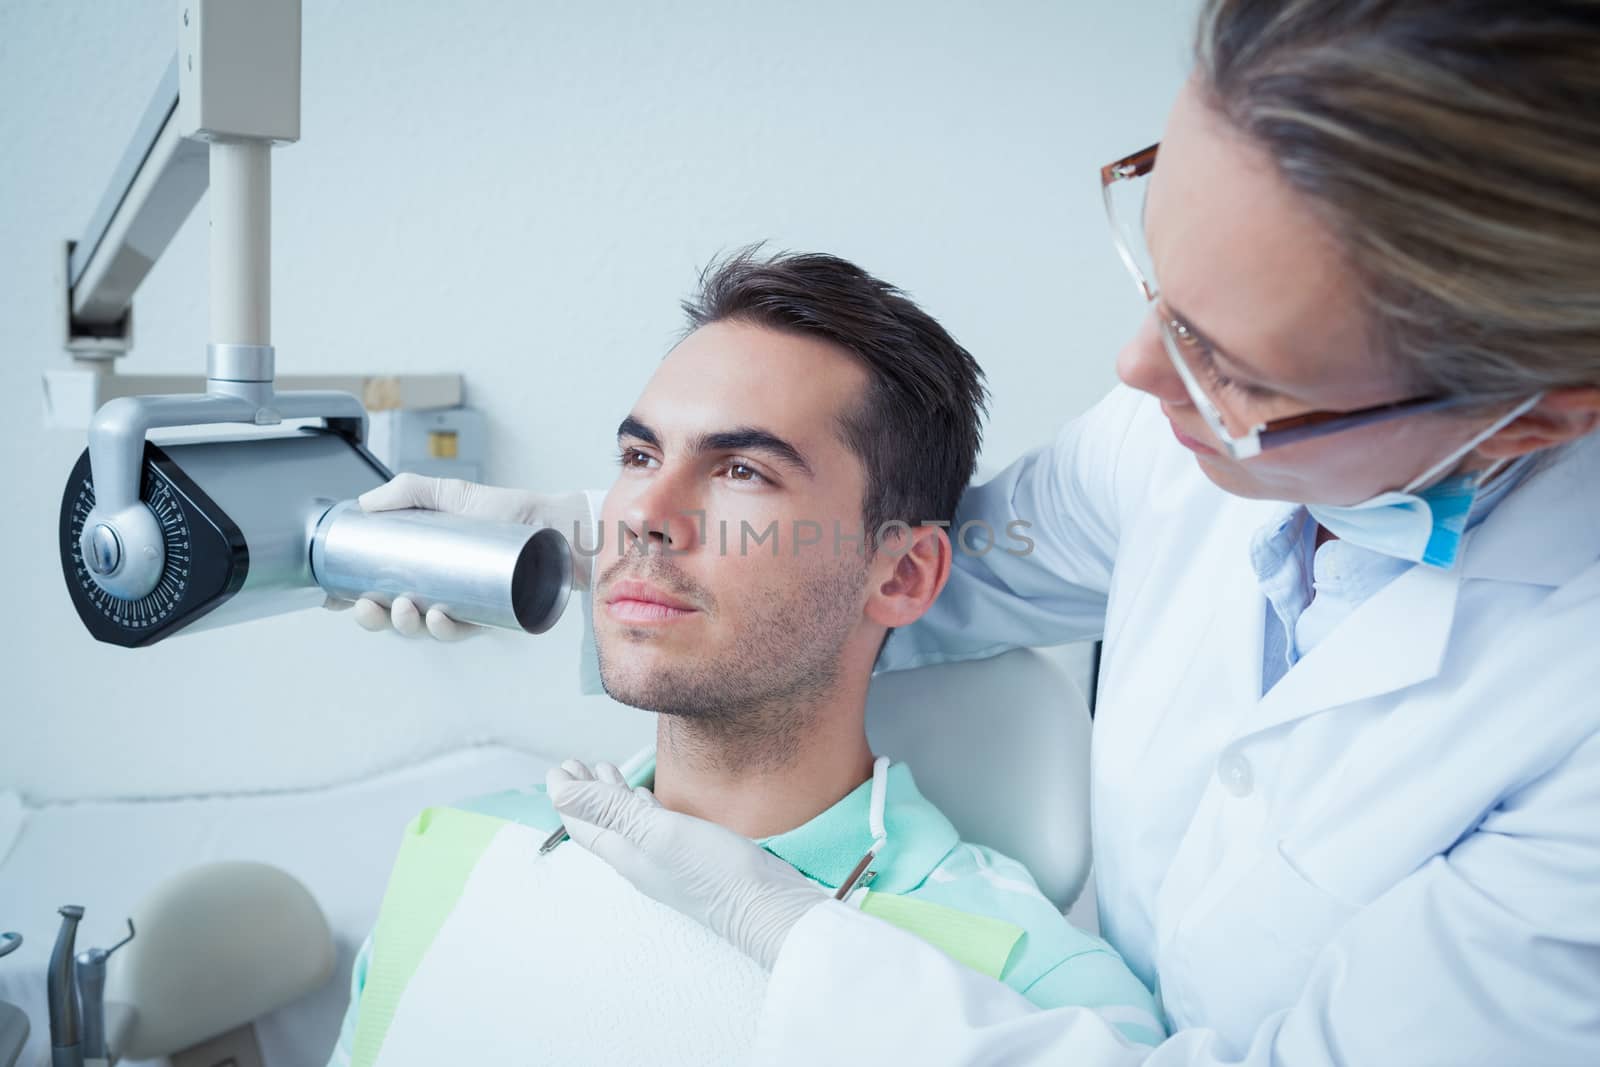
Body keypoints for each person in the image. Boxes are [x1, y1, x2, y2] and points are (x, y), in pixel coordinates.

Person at [351, 2, 1600, 1062]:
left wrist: (797, 940)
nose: (1135, 372)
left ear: (1537, 417)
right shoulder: (462, 856)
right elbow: (905, 558)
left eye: (1228, 365)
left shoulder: (1028, 976)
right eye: (1157, 286)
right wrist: (579, 540)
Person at [326, 250, 1163, 1066]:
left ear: (904, 572)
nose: (642, 514)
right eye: (639, 456)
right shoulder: (460, 847)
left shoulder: (1047, 990)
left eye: (742, 470)